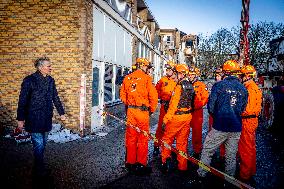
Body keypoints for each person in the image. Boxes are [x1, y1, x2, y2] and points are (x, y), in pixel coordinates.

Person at [195, 60, 248, 181]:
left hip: (220, 126)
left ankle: (201, 174)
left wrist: (218, 117)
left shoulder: (219, 85)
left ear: (226, 72)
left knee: (208, 150)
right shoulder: (243, 89)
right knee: (231, 156)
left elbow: (211, 107)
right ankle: (229, 180)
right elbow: (243, 109)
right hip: (236, 127)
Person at [17, 57, 66, 178]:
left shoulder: (50, 80)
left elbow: (55, 97)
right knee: (38, 144)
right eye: (48, 66)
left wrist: (62, 113)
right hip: (33, 117)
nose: (50, 68)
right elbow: (22, 100)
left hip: (46, 117)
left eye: (50, 65)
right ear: (40, 67)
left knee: (43, 143)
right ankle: (39, 169)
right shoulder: (29, 80)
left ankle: (38, 165)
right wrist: (20, 119)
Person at [120, 57, 158, 175]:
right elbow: (154, 97)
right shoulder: (147, 79)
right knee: (142, 139)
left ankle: (130, 162)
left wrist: (130, 105)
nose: (148, 69)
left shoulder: (127, 78)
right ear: (142, 66)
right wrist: (150, 110)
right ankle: (141, 164)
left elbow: (122, 95)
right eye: (147, 67)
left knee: (131, 138)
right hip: (142, 113)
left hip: (131, 112)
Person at [160, 64, 195, 173]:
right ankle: (182, 166)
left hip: (176, 117)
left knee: (167, 139)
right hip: (187, 116)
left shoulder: (179, 87)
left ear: (180, 74)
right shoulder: (190, 86)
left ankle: (165, 162)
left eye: (176, 73)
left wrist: (165, 120)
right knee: (182, 142)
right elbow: (192, 103)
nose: (174, 75)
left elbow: (173, 106)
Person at [238, 65, 262, 184]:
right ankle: (251, 170)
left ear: (247, 76)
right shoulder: (252, 87)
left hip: (247, 121)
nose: (239, 78)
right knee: (250, 147)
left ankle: (245, 175)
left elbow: (248, 109)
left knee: (245, 148)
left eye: (241, 75)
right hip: (251, 120)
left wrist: (235, 110)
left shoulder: (250, 89)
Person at [153, 60, 177, 156]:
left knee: (171, 128)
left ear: (173, 70)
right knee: (160, 128)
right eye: (166, 69)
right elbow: (155, 92)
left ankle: (169, 148)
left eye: (169, 69)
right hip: (164, 106)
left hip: (173, 107)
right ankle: (156, 145)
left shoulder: (177, 81)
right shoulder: (162, 80)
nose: (167, 71)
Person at [188, 66, 209, 159]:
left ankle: (197, 151)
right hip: (186, 112)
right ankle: (182, 151)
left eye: (192, 75)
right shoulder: (185, 84)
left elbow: (205, 98)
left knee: (197, 133)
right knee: (183, 132)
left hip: (197, 113)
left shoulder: (201, 85)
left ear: (196, 75)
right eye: (189, 75)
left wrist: (196, 106)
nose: (191, 76)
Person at [208, 67, 225, 159]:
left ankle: (223, 154)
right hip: (213, 114)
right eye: (216, 75)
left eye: (219, 75)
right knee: (211, 134)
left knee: (223, 134)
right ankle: (212, 152)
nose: (217, 77)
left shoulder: (225, 87)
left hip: (221, 115)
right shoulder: (214, 86)